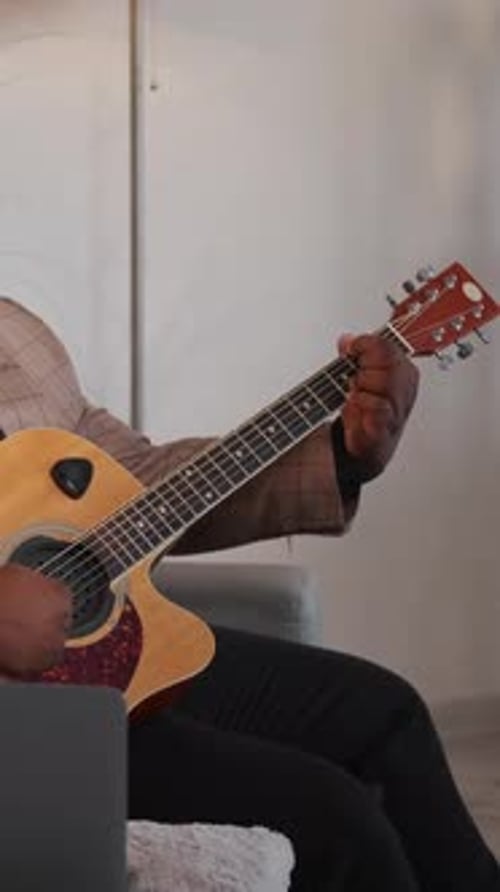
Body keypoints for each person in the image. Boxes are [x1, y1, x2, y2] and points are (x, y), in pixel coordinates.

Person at [0, 295, 497, 892]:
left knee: (385, 714)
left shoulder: (15, 335)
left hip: (102, 671)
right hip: (24, 726)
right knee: (333, 816)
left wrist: (341, 453)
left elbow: (135, 483)